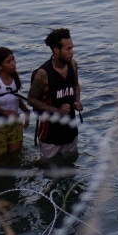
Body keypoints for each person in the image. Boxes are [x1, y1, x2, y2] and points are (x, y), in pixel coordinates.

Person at [28, 29, 81, 161]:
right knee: (49, 168)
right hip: (50, 133)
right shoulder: (43, 74)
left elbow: (76, 85)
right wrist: (57, 110)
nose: (72, 52)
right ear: (56, 50)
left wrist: (77, 101)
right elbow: (31, 100)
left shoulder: (73, 65)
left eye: (72, 48)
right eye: (68, 49)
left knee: (71, 163)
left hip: (70, 129)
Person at [0, 47, 30, 158]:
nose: (13, 64)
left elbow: (15, 97)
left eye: (13, 59)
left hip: (15, 124)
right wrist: (3, 112)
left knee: (15, 156)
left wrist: (26, 110)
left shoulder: (14, 77)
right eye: (8, 62)